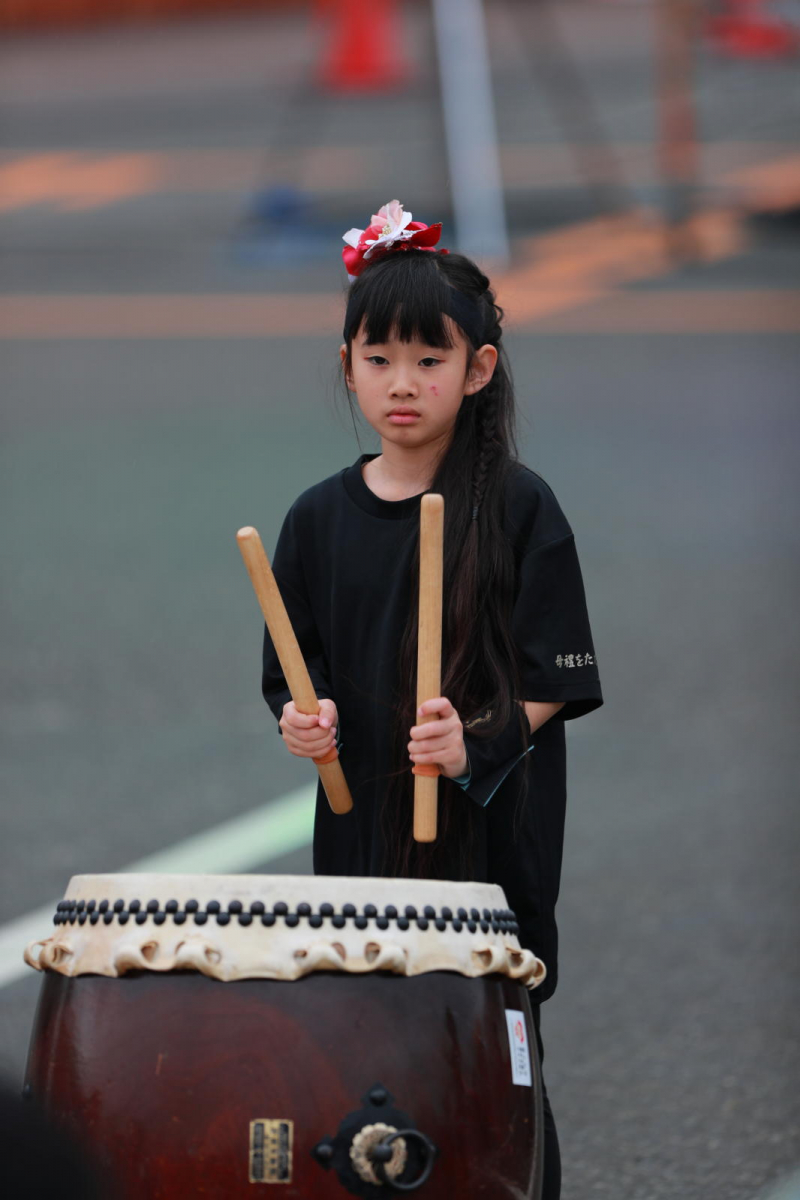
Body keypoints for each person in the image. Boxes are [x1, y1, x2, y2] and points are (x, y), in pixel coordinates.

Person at [262, 200, 603, 1199]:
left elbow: (555, 675)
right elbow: (294, 668)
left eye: (428, 359)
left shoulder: (517, 505)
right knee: (367, 1022)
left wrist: (475, 739)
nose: (401, 384)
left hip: (490, 819)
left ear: (478, 369)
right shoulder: (317, 519)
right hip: (364, 815)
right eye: (378, 359)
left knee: (489, 1030)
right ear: (347, 364)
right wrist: (302, 719)